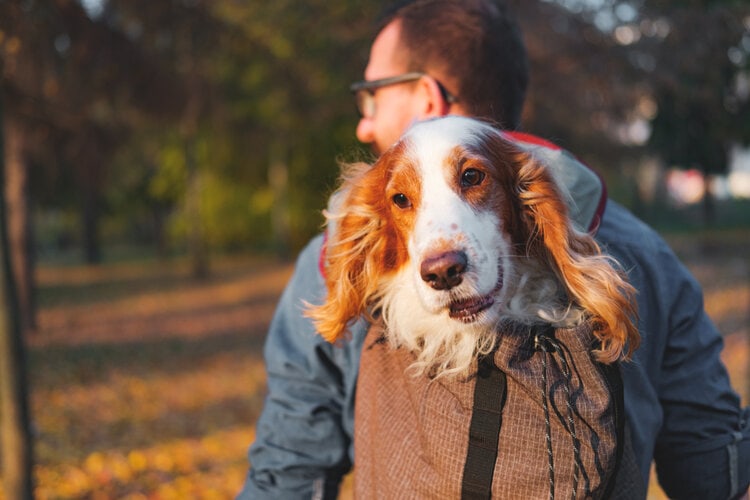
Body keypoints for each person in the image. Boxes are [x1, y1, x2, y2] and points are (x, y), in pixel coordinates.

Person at [238, 1, 750, 498]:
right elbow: (719, 472)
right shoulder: (649, 255)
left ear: (425, 97)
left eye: (371, 96)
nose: (364, 124)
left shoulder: (334, 258)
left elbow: (288, 471)